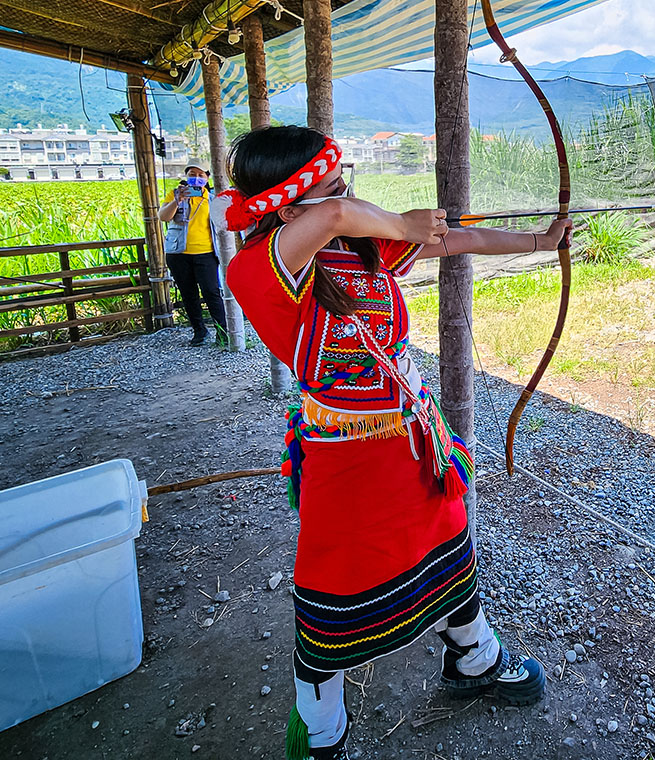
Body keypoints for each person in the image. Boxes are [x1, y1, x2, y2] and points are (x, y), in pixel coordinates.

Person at [223, 126, 569, 760]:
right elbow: (335, 213)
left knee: (447, 544)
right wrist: (405, 225)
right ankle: (319, 721)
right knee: (337, 578)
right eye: (331, 183)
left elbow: (454, 238)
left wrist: (537, 241)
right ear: (287, 202)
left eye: (341, 181)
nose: (345, 191)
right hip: (345, 459)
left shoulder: (357, 246)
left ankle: (474, 659)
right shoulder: (258, 268)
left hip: (413, 443)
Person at [157, 160, 228, 346]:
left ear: (207, 178)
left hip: (206, 252)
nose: (196, 178)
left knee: (211, 292)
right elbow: (163, 217)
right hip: (178, 253)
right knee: (188, 294)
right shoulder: (175, 194)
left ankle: (223, 331)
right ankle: (199, 331)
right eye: (192, 174)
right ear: (186, 176)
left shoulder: (212, 199)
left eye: (200, 175)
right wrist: (177, 201)